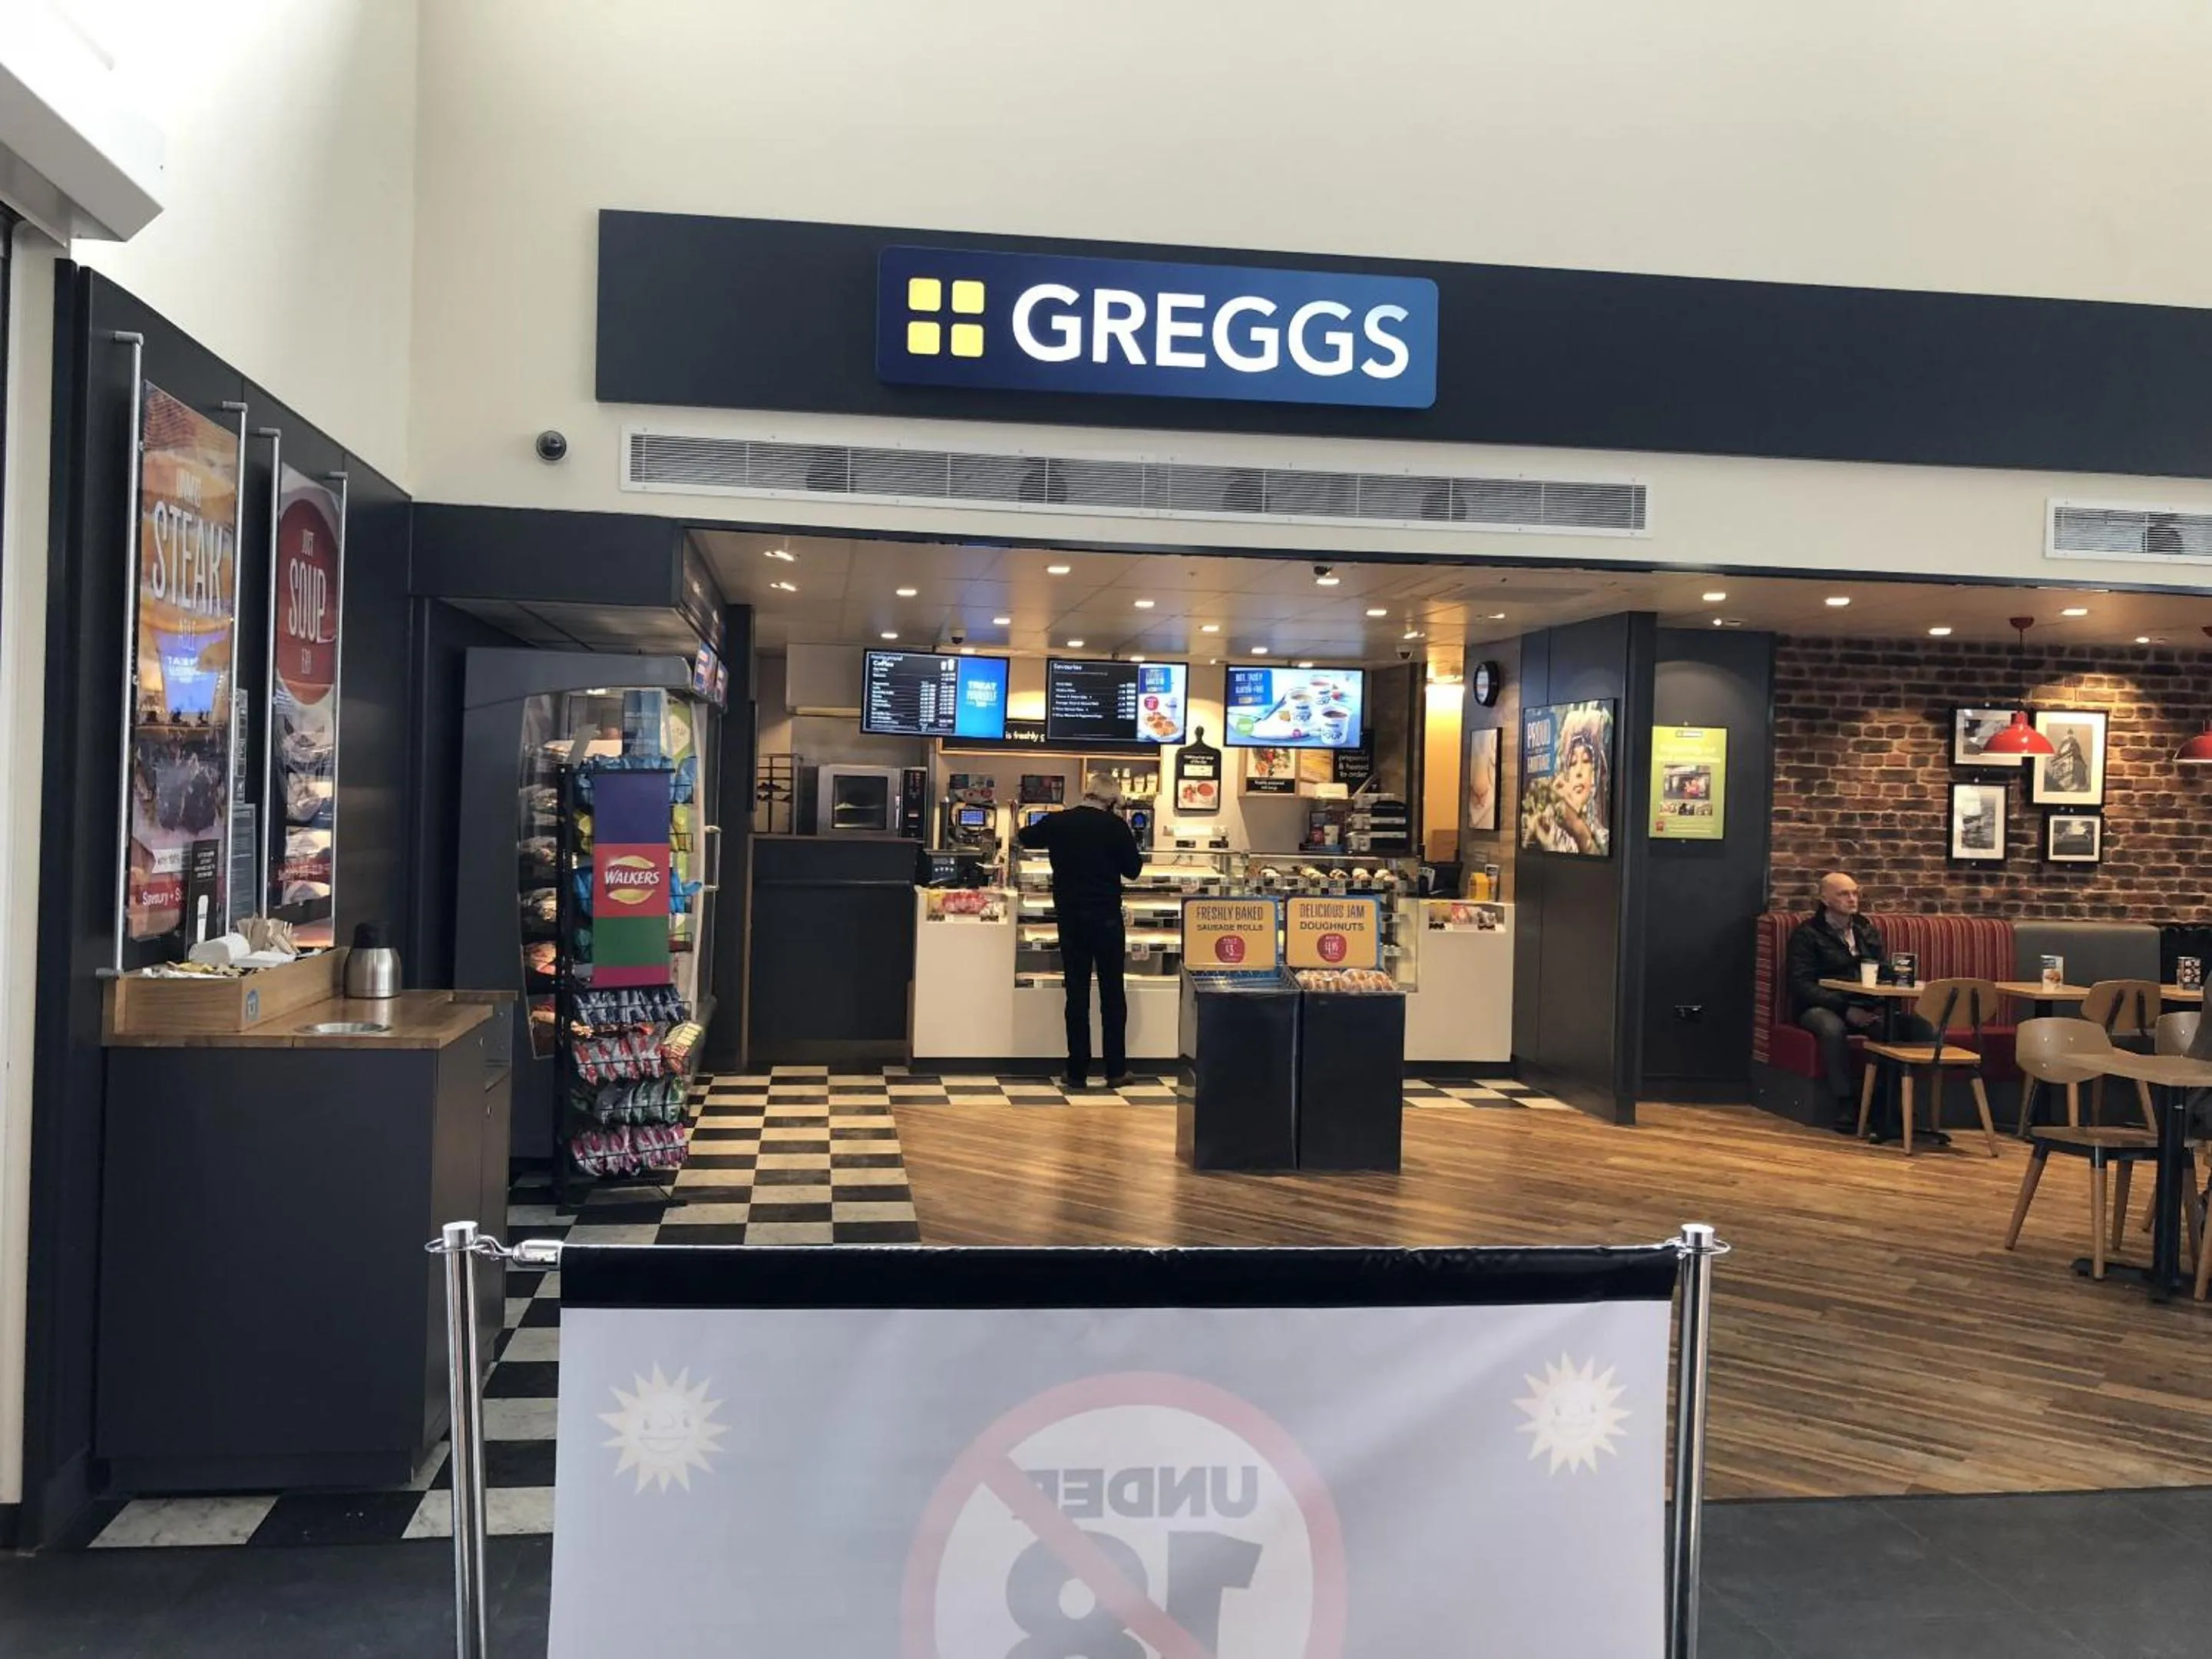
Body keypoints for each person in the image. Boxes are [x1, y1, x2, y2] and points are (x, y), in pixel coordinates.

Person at [1786, 872, 1937, 1140]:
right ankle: (1845, 1103)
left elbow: (1880, 969)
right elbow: (1802, 984)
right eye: (1844, 894)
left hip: (1866, 1005)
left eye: (1855, 893)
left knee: (1920, 1030)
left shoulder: (1865, 930)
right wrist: (1846, 1009)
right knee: (1832, 1029)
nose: (1852, 899)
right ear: (1825, 899)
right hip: (1823, 1006)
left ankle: (1885, 1104)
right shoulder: (1808, 934)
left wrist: (1900, 977)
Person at [1016, 774, 1143, 1089]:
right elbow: (1134, 870)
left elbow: (1025, 836)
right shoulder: (1116, 827)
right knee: (1112, 994)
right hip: (1107, 919)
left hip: (1071, 918)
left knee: (1077, 994)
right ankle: (1116, 1070)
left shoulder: (1060, 822)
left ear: (1087, 793)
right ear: (1112, 801)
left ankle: (1076, 1071)